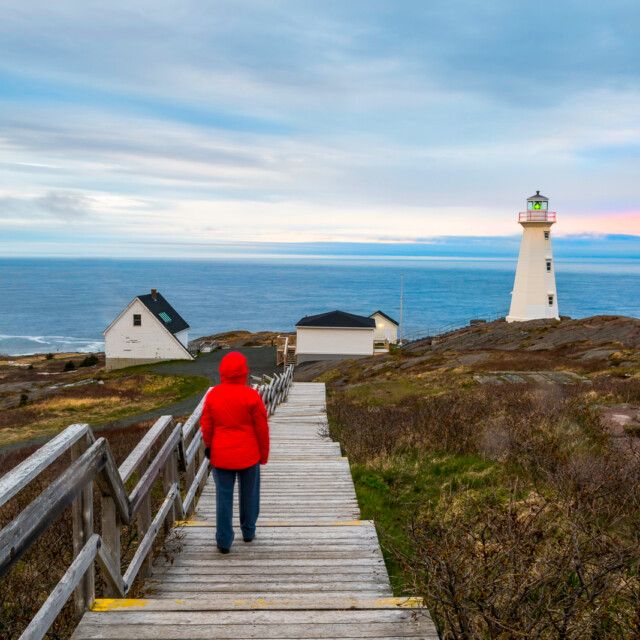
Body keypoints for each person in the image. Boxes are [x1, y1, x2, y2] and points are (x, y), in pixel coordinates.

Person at [200, 351, 269, 553]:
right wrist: (263, 455)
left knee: (223, 498)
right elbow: (262, 429)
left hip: (221, 456)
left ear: (222, 372)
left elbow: (206, 425)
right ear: (244, 372)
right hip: (249, 455)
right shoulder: (251, 395)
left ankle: (223, 541)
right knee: (250, 496)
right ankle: (248, 532)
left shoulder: (213, 394)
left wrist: (210, 446)